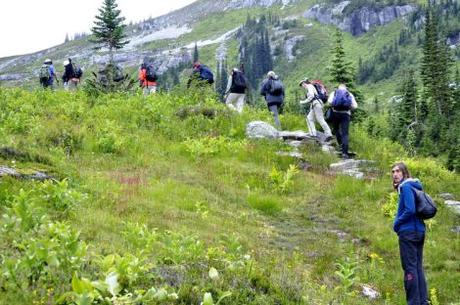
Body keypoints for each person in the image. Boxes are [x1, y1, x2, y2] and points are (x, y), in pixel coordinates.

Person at [391, 162, 429, 305]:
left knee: (410, 268)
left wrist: (396, 223)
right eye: (393, 172)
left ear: (404, 173)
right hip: (419, 231)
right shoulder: (415, 186)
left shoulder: (406, 187)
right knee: (417, 267)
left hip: (408, 232)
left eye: (398, 171)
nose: (395, 174)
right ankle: (422, 301)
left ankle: (413, 302)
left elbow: (410, 210)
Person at [327, 84, 358, 159]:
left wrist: (336, 105)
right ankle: (345, 153)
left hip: (335, 113)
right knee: (345, 133)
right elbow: (355, 106)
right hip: (346, 114)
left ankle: (340, 144)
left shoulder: (334, 92)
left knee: (336, 129)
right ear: (346, 88)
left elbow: (330, 102)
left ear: (338, 88)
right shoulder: (349, 94)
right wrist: (349, 107)